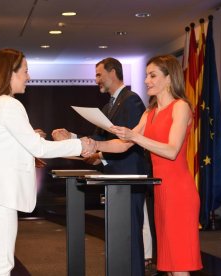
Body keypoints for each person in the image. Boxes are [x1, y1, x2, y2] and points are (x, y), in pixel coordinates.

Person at [0, 48, 95, 276]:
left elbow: (5, 147)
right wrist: (80, 145)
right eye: (25, 71)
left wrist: (32, 141)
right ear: (10, 73)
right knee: (0, 267)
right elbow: (38, 148)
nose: (28, 76)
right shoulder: (8, 104)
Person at [95, 54, 203, 275]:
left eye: (152, 75)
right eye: (146, 76)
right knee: (170, 265)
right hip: (160, 192)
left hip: (179, 192)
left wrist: (134, 137)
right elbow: (123, 145)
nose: (146, 81)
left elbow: (172, 150)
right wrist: (92, 144)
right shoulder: (149, 113)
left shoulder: (180, 107)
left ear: (169, 78)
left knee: (180, 265)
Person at [52, 57, 153, 276]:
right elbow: (99, 139)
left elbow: (129, 141)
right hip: (114, 177)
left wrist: (94, 147)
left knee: (131, 235)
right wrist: (71, 137)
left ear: (113, 73)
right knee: (119, 235)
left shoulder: (132, 100)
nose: (96, 79)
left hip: (129, 177)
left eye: (99, 74)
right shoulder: (109, 105)